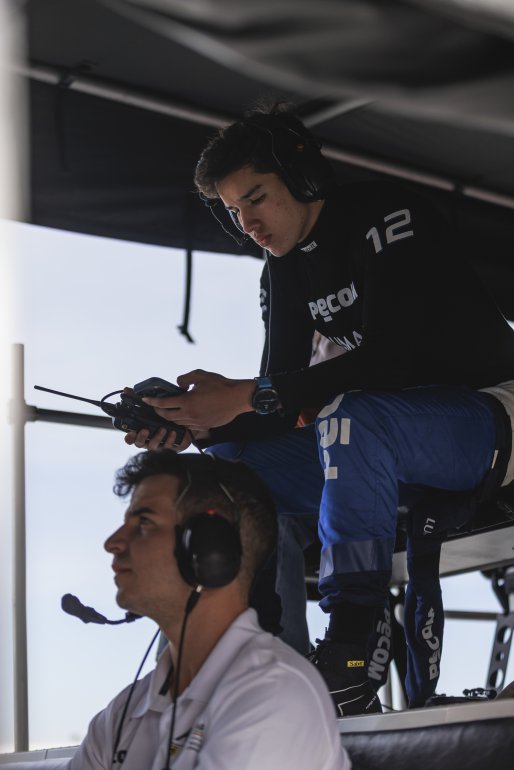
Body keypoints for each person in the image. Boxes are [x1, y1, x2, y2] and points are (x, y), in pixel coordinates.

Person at [125, 105, 514, 715]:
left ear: (302, 178)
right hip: (381, 442)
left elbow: (392, 361)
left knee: (352, 416)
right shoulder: (283, 269)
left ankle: (355, 640)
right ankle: (262, 647)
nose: (248, 223)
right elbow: (278, 408)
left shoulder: (388, 216)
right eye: (234, 213)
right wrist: (195, 423)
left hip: (491, 418)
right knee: (228, 463)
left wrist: (247, 394)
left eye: (256, 199)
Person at [69, 450, 349, 770]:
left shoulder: (274, 694)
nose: (113, 542)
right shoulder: (124, 712)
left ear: (208, 550)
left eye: (144, 523)